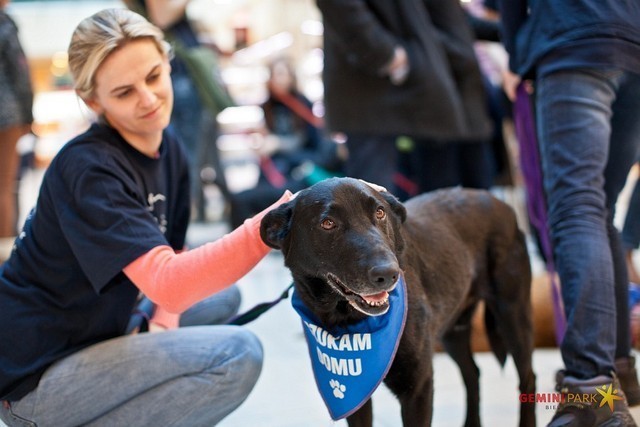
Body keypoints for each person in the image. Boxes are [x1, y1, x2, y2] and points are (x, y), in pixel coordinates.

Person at [0, 9, 293, 426]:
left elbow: (173, 252)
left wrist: (163, 321)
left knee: (222, 298)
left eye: (154, 76)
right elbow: (169, 283)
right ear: (92, 101)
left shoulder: (168, 145)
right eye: (124, 92)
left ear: (167, 62)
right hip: (36, 377)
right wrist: (269, 227)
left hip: (101, 330)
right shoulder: (89, 170)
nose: (149, 99)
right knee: (237, 354)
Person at [500, 0, 640, 425]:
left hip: (572, 40)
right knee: (598, 210)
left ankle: (589, 390)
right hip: (633, 47)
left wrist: (515, 51)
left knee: (577, 210)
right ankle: (618, 369)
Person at [316, 0, 492, 193]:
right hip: (370, 90)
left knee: (438, 204)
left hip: (420, 85)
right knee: (371, 204)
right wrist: (388, 56)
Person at [125, 0, 232, 222]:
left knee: (196, 157)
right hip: (182, 86)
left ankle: (191, 216)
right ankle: (181, 222)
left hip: (184, 84)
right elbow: (161, 15)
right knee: (187, 159)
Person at [229, 57, 344, 229]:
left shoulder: (302, 104)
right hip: (274, 171)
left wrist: (277, 144)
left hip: (300, 171)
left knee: (247, 199)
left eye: (282, 74)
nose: (278, 79)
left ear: (291, 76)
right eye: (274, 75)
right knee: (242, 200)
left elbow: (315, 148)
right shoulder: (266, 106)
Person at [0, 0, 33, 263]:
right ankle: (6, 251)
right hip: (6, 117)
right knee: (5, 187)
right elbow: (20, 72)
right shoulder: (4, 22)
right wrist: (28, 117)